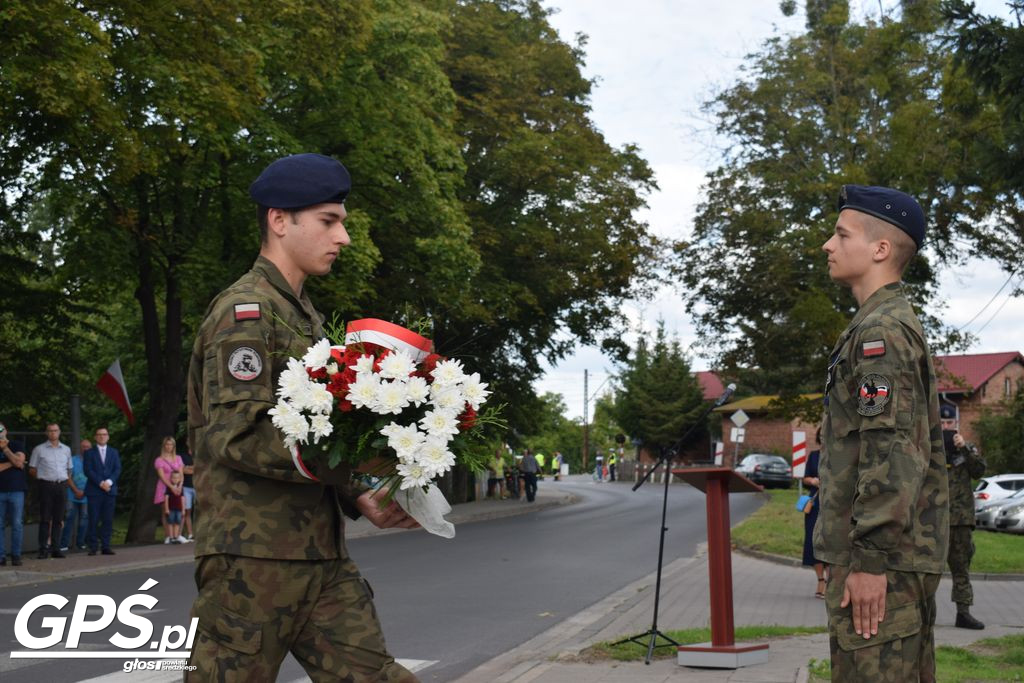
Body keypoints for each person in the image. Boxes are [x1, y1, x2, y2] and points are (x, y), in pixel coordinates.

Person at [185, 153, 418, 682]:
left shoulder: (304, 317)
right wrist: (355, 462)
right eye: (329, 222)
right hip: (252, 560)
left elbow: (317, 437)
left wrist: (358, 492)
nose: (344, 238)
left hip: (319, 556)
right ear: (280, 219)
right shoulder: (244, 313)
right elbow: (238, 437)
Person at [815, 185, 949, 682]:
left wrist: (869, 560)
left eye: (841, 234)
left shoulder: (881, 335)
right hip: (885, 558)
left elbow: (891, 451)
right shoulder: (877, 324)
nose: (828, 244)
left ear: (880, 249)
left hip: (883, 564)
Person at [940, 403, 986, 629]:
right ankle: (922, 613)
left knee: (961, 567)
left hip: (960, 520)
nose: (946, 427)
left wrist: (965, 448)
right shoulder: (930, 449)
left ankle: (963, 612)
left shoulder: (967, 450)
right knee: (926, 569)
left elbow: (979, 471)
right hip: (934, 521)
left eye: (950, 423)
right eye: (942, 423)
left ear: (956, 424)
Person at [28, 423, 72, 559]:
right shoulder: (39, 449)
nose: (53, 433)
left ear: (59, 432)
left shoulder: (66, 449)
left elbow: (69, 469)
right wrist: (43, 478)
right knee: (45, 518)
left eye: (55, 430)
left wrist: (65, 481)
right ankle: (43, 549)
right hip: (46, 485)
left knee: (58, 518)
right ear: (46, 433)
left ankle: (56, 548)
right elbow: (32, 469)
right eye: (50, 431)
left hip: (61, 485)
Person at [83, 426, 122, 556]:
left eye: (104, 434)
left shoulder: (114, 452)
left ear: (108, 437)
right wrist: (101, 483)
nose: (102, 436)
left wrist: (109, 482)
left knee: (108, 519)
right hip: (94, 490)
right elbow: (88, 470)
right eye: (99, 434)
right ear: (95, 437)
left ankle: (106, 546)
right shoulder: (89, 453)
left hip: (110, 490)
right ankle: (93, 546)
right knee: (93, 518)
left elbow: (117, 469)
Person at [801, 429, 825, 598]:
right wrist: (813, 480)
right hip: (815, 503)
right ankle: (821, 580)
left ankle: (832, 582)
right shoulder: (814, 455)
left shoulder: (841, 456)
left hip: (835, 505)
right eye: (822, 435)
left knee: (831, 540)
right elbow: (805, 478)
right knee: (813, 540)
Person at [0, 426, 28, 566]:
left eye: (0, 429)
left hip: (17, 490)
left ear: (5, 430)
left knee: (17, 524)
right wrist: (14, 462)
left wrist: (5, 449)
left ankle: (16, 555)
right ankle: (1, 556)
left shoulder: (17, 444)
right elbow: (17, 463)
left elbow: (19, 462)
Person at [60, 439, 90, 552]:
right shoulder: (72, 460)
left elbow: (94, 478)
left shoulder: (93, 461)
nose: (86, 449)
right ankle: (64, 544)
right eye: (83, 447)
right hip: (72, 494)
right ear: (80, 448)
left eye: (88, 447)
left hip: (87, 495)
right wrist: (76, 490)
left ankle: (81, 543)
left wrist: (84, 492)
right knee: (69, 518)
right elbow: (67, 476)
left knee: (84, 519)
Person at [153, 437, 184, 543]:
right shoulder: (159, 460)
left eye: (171, 444)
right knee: (166, 511)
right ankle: (168, 536)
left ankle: (177, 535)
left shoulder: (178, 458)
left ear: (173, 446)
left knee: (179, 510)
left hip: (177, 486)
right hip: (164, 486)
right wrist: (171, 487)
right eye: (167, 444)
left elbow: (181, 473)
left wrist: (180, 485)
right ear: (164, 446)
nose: (169, 446)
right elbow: (162, 476)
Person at [163, 471, 185, 544]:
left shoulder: (181, 488)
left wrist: (183, 509)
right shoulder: (169, 488)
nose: (175, 479)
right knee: (171, 522)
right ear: (171, 479)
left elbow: (182, 498)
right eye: (173, 478)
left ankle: (176, 537)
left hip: (179, 508)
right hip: (171, 508)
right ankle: (171, 537)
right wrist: (166, 508)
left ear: (179, 479)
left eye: (177, 478)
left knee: (177, 522)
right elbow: (166, 498)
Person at [180, 447, 196, 541]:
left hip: (198, 487)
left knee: (201, 510)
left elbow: (202, 469)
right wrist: (194, 468)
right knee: (187, 511)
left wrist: (188, 467)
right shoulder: (183, 456)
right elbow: (182, 470)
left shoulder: (199, 454)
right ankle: (190, 534)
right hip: (186, 487)